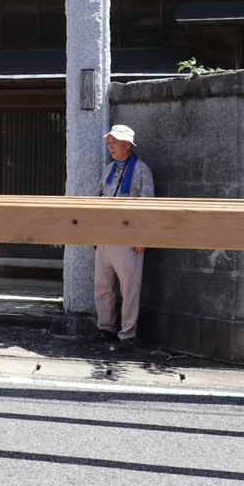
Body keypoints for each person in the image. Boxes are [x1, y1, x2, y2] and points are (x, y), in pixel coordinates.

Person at [89, 125, 155, 350]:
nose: (111, 147)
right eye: (109, 142)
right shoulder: (108, 169)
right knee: (102, 285)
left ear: (127, 144)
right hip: (105, 236)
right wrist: (94, 233)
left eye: (114, 142)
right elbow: (98, 199)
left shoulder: (141, 170)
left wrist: (143, 238)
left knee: (130, 288)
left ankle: (128, 333)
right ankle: (105, 328)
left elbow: (148, 206)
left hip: (128, 239)